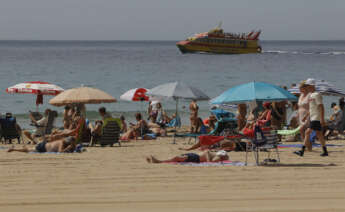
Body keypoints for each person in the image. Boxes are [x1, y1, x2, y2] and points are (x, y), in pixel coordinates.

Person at [294, 78, 328, 157]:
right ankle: (325, 151)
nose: (307, 88)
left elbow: (321, 106)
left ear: (312, 86)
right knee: (319, 134)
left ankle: (302, 151)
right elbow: (312, 108)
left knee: (307, 132)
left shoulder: (316, 94)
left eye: (308, 86)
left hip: (316, 117)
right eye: (306, 86)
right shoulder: (311, 95)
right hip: (313, 117)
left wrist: (322, 119)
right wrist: (305, 116)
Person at [7, 136, 76, 153]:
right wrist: (68, 148)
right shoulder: (62, 142)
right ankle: (14, 149)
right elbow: (60, 152)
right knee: (28, 150)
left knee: (29, 149)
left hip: (45, 145)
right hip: (43, 147)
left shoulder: (63, 142)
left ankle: (18, 148)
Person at [146, 150, 229, 164]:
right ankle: (159, 161)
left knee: (176, 158)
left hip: (196, 158)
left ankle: (159, 161)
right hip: (195, 156)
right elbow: (207, 152)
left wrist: (209, 161)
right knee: (177, 158)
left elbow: (213, 161)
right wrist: (208, 160)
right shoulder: (219, 155)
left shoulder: (219, 156)